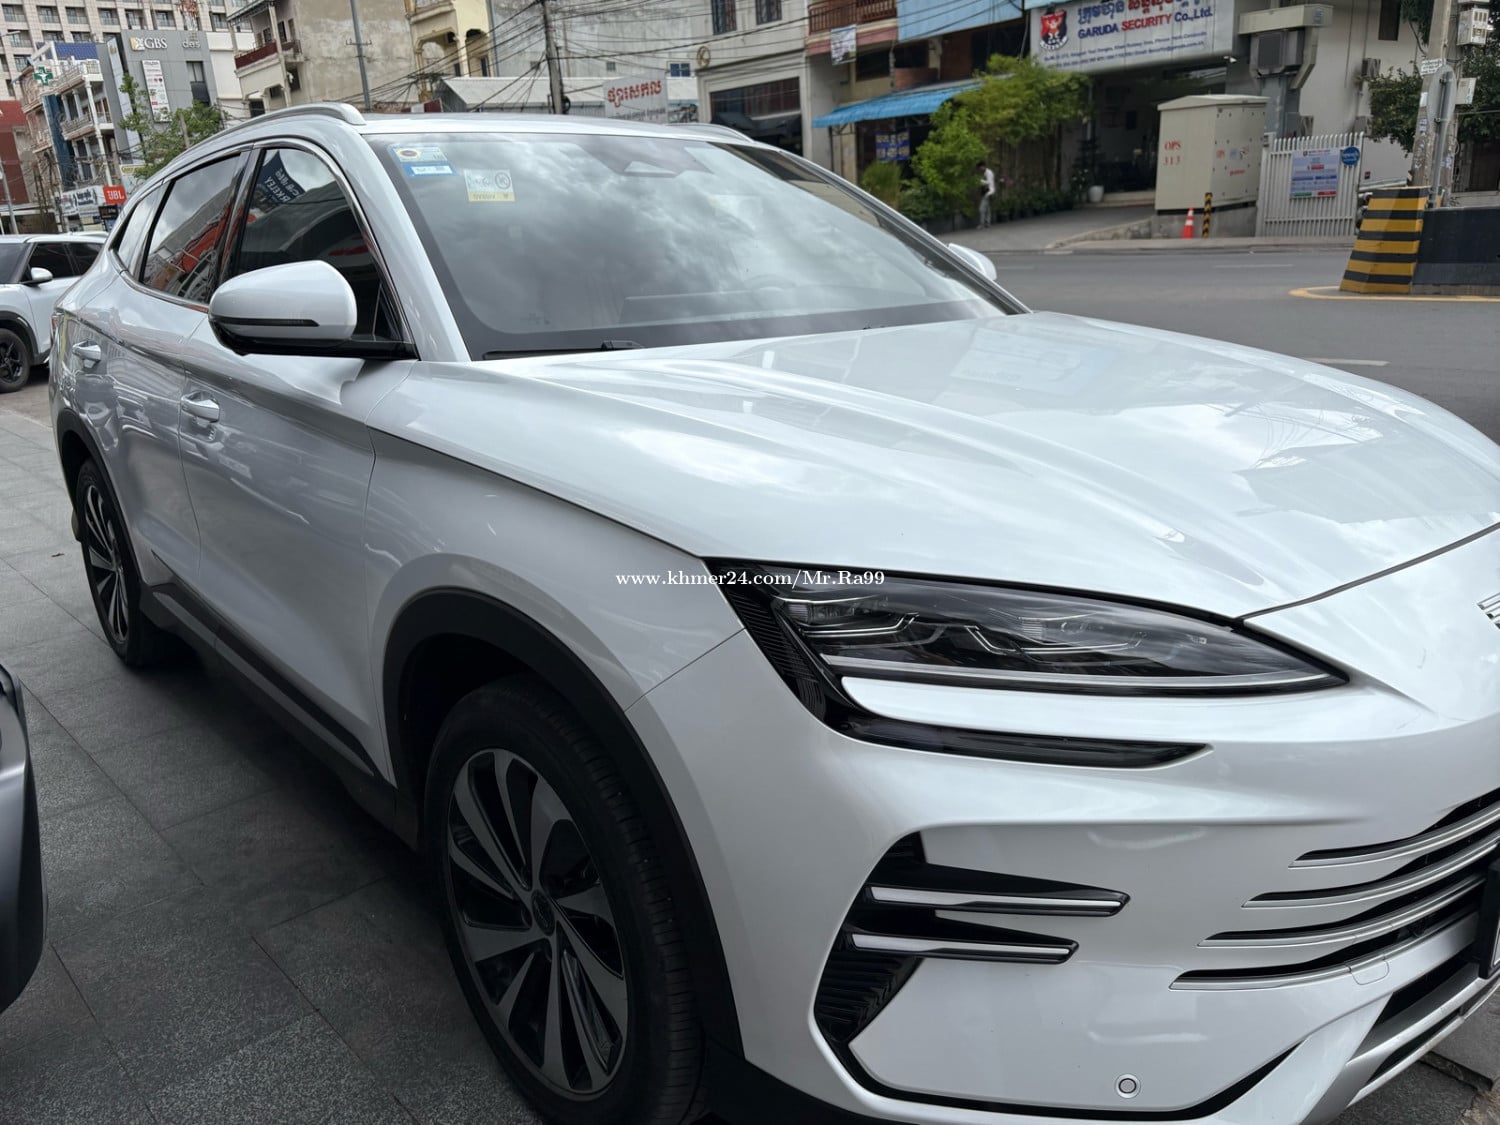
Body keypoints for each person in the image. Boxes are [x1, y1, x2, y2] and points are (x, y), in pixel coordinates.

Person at [977, 161, 997, 228]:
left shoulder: (989, 173)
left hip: (988, 192)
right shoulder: (986, 172)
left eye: (980, 167)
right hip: (987, 192)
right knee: (988, 208)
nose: (980, 169)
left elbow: (989, 182)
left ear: (983, 166)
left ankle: (982, 224)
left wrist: (981, 181)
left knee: (981, 208)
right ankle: (987, 223)